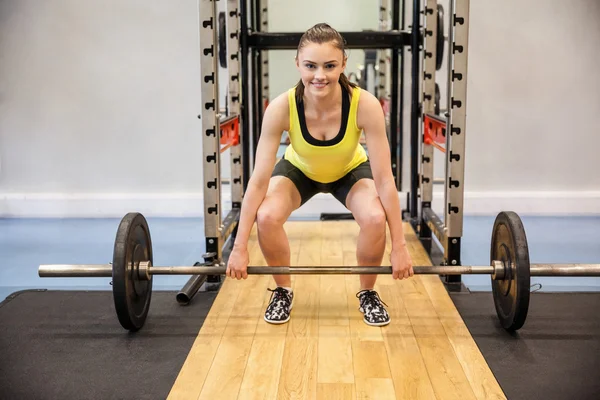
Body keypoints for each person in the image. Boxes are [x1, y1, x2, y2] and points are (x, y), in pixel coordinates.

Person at [226, 23, 414, 327]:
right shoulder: (281, 108)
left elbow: (384, 180)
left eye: (329, 66)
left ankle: (368, 293)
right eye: (311, 65)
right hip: (299, 170)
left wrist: (400, 247)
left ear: (343, 65)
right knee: (268, 216)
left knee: (375, 217)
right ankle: (283, 290)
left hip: (349, 170)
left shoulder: (364, 104)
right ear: (298, 63)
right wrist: (238, 247)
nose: (320, 75)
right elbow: (259, 181)